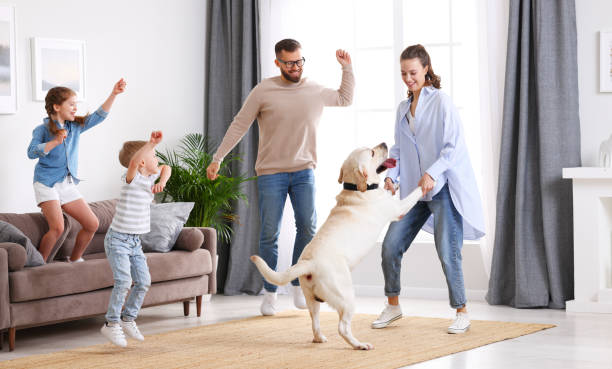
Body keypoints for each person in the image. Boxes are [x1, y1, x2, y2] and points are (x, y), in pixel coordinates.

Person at [206, 38, 355, 316]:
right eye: (289, 63)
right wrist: (217, 158)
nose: (295, 67)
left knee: (308, 230)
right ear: (278, 63)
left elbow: (345, 99)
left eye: (299, 61)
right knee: (269, 235)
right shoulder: (264, 90)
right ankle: (271, 293)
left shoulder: (314, 89)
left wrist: (346, 69)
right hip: (271, 173)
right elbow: (239, 124)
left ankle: (299, 286)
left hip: (304, 172)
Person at [371, 44, 485, 333]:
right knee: (390, 246)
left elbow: (452, 148)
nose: (408, 78)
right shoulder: (402, 108)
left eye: (413, 72)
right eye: (403, 73)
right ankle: (393, 305)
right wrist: (390, 176)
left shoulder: (441, 102)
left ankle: (462, 311)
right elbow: (397, 149)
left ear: (425, 69)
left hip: (441, 190)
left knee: (448, 251)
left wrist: (432, 174)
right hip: (413, 192)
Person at [27, 80, 126, 263]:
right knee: (57, 228)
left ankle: (74, 260)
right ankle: (38, 265)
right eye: (71, 104)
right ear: (57, 107)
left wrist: (114, 94)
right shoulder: (41, 130)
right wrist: (55, 142)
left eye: (76, 105)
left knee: (92, 223)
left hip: (66, 183)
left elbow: (99, 116)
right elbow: (31, 152)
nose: (75, 108)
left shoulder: (75, 127)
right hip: (45, 183)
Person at [100, 131, 171, 347]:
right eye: (153, 155)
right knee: (123, 281)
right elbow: (132, 162)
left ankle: (128, 318)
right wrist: (150, 143)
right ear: (141, 162)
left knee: (144, 282)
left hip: (134, 242)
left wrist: (163, 182)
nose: (157, 159)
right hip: (118, 240)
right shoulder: (131, 179)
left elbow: (167, 168)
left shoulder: (150, 178)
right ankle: (111, 324)